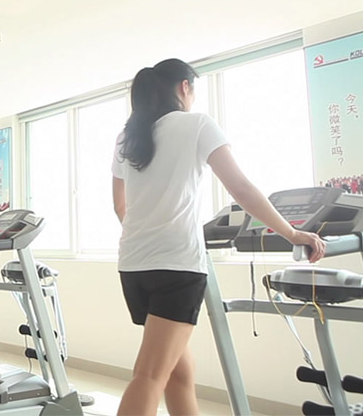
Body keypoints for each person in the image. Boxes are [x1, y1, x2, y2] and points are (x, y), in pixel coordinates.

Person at [111, 58, 326, 416]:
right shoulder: (196, 124)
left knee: (179, 372)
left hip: (133, 267)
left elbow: (121, 206)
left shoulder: (128, 137)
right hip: (176, 267)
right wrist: (291, 233)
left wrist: (146, 234)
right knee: (149, 375)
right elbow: (240, 188)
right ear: (184, 87)